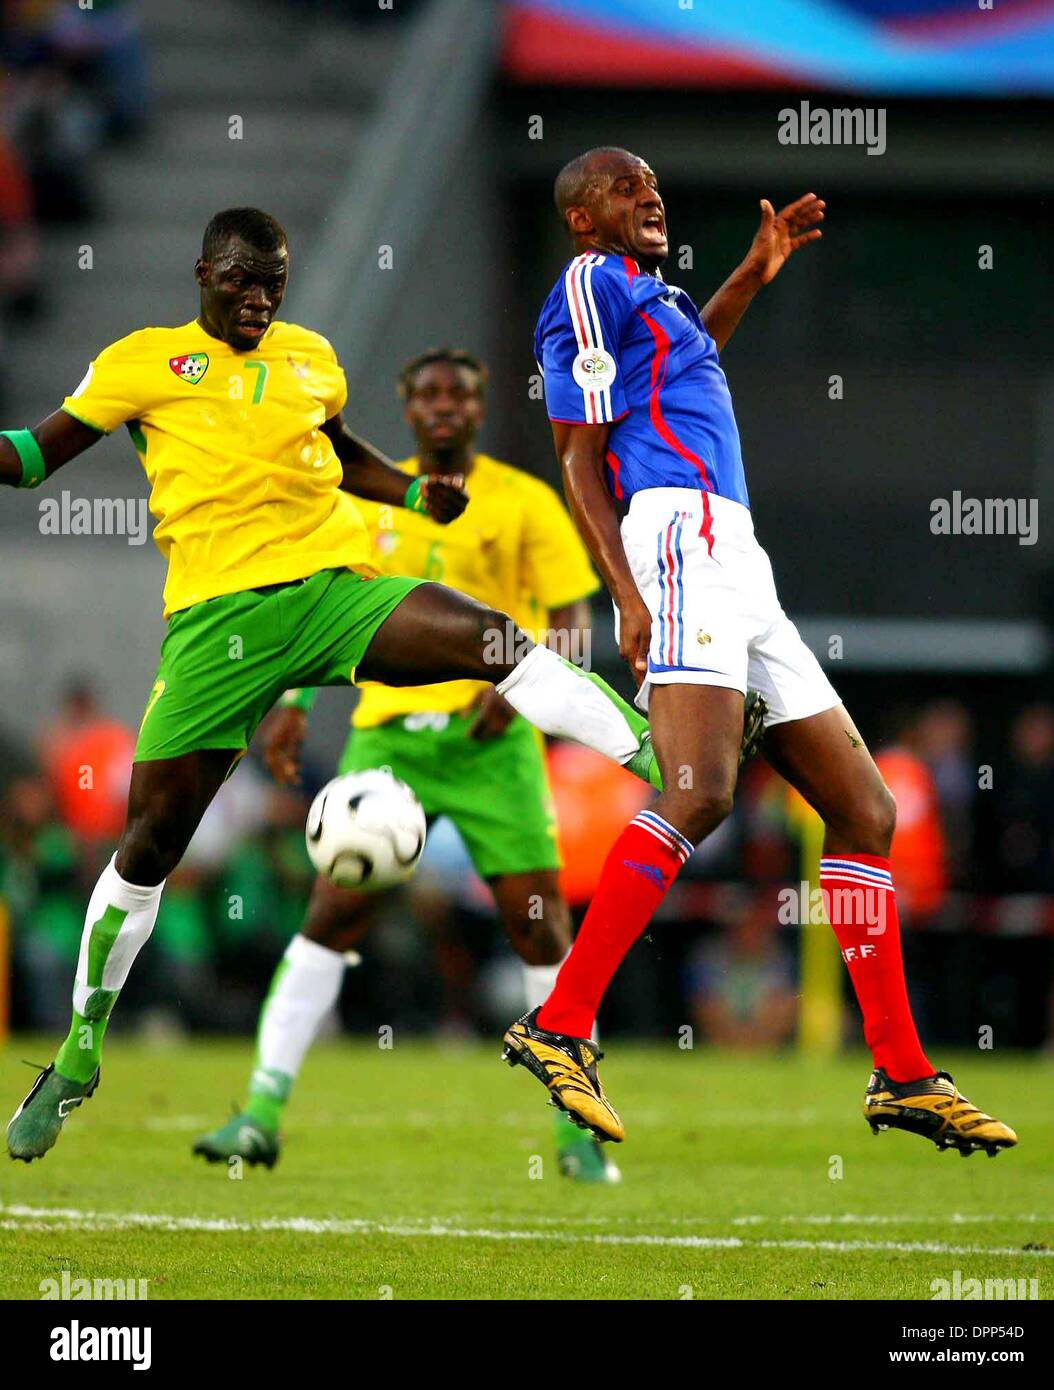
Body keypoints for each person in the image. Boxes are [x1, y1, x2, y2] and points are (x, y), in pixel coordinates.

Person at [1, 206, 666, 1162]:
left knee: (494, 640)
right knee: (147, 844)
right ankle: (77, 1055)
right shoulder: (141, 361)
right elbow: (31, 459)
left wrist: (406, 492)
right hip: (215, 626)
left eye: (272, 282)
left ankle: (662, 751)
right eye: (240, 280)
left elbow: (339, 453)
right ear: (201, 272)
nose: (258, 299)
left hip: (333, 591)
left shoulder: (310, 356)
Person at [502, 148, 1016, 1160]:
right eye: (622, 185)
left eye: (653, 183)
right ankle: (559, 1022)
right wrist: (626, 592)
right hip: (677, 534)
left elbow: (692, 360)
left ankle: (903, 1073)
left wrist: (751, 270)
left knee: (867, 810)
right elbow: (575, 452)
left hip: (736, 553)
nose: (648, 194)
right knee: (696, 788)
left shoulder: (659, 299)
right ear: (579, 218)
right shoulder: (589, 286)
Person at [192, 346, 620, 1182]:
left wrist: (525, 687)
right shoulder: (365, 499)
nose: (443, 407)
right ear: (407, 405)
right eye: (427, 395)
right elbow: (321, 607)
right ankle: (260, 1112)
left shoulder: (523, 501)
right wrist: (294, 704)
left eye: (459, 394)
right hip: (387, 745)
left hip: (494, 746)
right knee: (330, 917)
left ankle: (577, 1137)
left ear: (480, 405)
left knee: (541, 927)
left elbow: (572, 614)